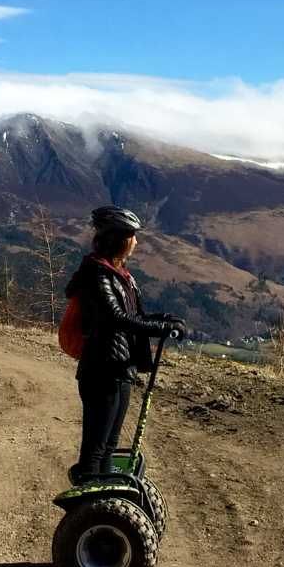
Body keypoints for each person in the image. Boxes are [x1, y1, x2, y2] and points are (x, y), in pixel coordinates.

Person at [64, 206, 185, 482]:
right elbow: (116, 319)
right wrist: (162, 328)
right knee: (95, 449)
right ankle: (87, 511)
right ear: (118, 238)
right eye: (132, 235)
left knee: (109, 444)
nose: (136, 242)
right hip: (102, 370)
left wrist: (166, 320)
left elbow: (136, 316)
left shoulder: (121, 275)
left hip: (121, 368)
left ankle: (104, 502)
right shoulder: (97, 275)